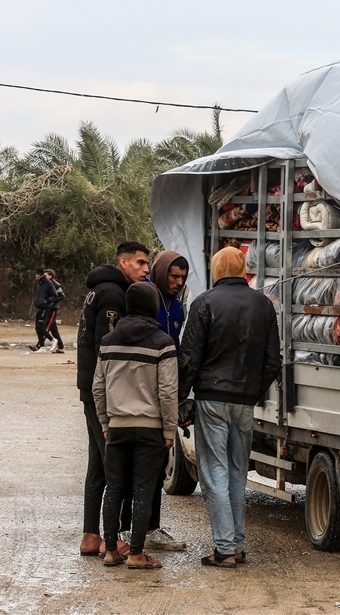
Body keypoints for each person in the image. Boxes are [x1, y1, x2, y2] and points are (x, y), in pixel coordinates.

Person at [179, 247, 281, 568]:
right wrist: (253, 391)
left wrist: (182, 397)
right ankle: (236, 545)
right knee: (238, 473)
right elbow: (272, 362)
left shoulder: (205, 303)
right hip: (245, 403)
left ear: (217, 268)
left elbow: (190, 359)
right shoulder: (264, 305)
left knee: (214, 474)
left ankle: (224, 549)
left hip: (211, 399)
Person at [93, 282, 177, 569]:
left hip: (117, 426)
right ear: (153, 306)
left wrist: (106, 422)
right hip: (150, 428)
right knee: (143, 489)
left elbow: (98, 388)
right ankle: (137, 554)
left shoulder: (108, 341)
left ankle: (110, 551)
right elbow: (167, 391)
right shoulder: (163, 343)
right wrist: (169, 430)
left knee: (114, 488)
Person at [78, 241, 151, 558]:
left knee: (97, 465)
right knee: (113, 466)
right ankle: (111, 541)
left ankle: (91, 536)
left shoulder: (103, 288)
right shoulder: (112, 294)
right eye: (140, 263)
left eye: (147, 263)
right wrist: (110, 397)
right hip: (100, 394)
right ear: (123, 262)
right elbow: (105, 348)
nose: (146, 269)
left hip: (90, 390)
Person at [138, 250, 191, 552]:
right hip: (146, 391)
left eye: (182, 277)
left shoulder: (178, 307)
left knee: (159, 465)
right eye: (173, 276)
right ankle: (130, 530)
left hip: (167, 389)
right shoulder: (148, 300)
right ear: (161, 273)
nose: (178, 282)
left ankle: (150, 528)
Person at [30, 268, 54, 352]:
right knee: (37, 328)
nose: (36, 276)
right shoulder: (40, 283)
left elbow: (54, 295)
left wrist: (46, 301)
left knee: (41, 327)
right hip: (39, 308)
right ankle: (42, 347)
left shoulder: (48, 283)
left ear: (41, 274)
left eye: (37, 274)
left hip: (45, 308)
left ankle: (53, 340)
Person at [43, 269, 66, 353]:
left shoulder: (56, 285)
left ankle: (39, 345)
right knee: (53, 329)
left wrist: (51, 300)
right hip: (47, 307)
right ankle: (61, 347)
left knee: (46, 326)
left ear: (50, 276)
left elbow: (62, 296)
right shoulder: (45, 284)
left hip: (53, 308)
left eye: (45, 275)